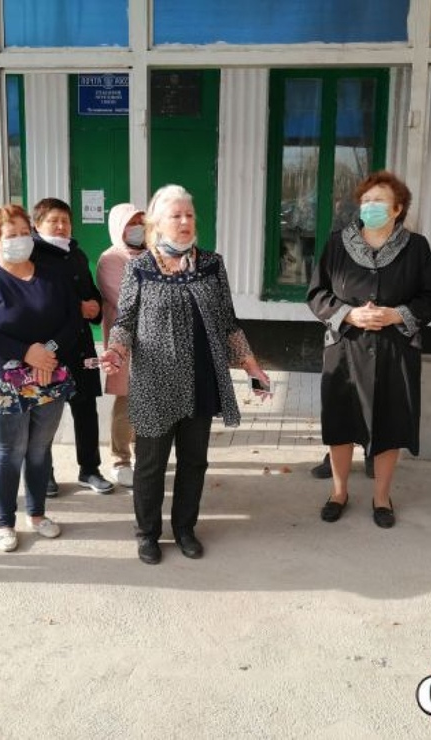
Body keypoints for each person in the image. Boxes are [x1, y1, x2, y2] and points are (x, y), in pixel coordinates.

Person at [103, 184, 269, 565]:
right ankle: (147, 534)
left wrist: (251, 365)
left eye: (189, 215)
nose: (184, 221)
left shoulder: (211, 264)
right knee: (150, 464)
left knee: (194, 461)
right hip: (154, 382)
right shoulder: (140, 268)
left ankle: (184, 529)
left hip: (201, 379)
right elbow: (125, 321)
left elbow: (228, 322)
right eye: (175, 215)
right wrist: (115, 351)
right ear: (157, 223)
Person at [307, 170, 431, 529]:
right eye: (366, 200)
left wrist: (396, 315)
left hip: (394, 349)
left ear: (397, 209)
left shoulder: (416, 248)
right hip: (345, 348)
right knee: (340, 422)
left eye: (379, 201)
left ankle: (382, 497)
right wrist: (348, 314)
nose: (370, 206)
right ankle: (339, 492)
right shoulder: (338, 244)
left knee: (390, 423)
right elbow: (317, 293)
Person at [0, 204, 82, 553]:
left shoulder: (52, 275)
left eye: (23, 233)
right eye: (10, 234)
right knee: (9, 451)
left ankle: (37, 513)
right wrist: (26, 352)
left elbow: (73, 320)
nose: (19, 239)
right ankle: (4, 522)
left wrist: (48, 352)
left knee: (40, 449)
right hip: (5, 380)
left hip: (50, 374)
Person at [31, 198, 113, 495]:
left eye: (65, 221)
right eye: (53, 221)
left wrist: (95, 306)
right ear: (37, 224)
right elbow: (34, 299)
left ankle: (89, 469)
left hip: (82, 346)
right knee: (44, 413)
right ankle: (44, 473)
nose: (61, 226)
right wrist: (75, 308)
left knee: (86, 408)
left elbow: (89, 290)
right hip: (49, 348)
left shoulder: (76, 254)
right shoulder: (32, 255)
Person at [96, 203, 146, 488]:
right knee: (127, 400)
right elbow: (125, 299)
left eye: (141, 222)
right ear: (119, 227)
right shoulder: (111, 259)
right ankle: (120, 459)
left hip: (155, 342)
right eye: (131, 223)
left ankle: (144, 454)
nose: (139, 228)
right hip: (124, 342)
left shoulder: (155, 254)